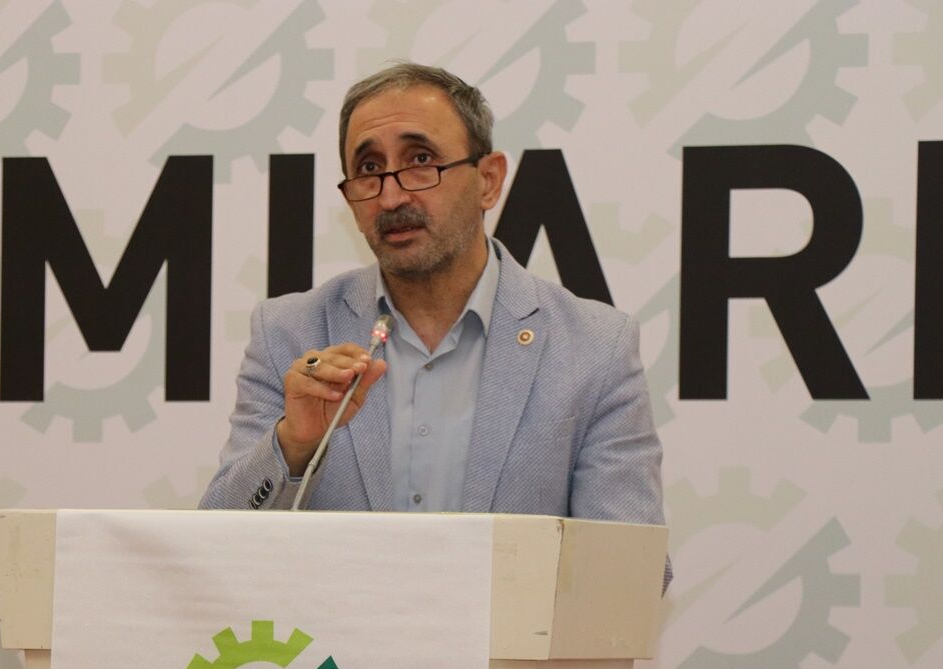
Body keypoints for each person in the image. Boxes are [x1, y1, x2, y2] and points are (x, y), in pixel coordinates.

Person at [200, 62, 668, 584]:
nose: (392, 197)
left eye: (420, 160)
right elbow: (215, 550)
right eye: (370, 168)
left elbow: (633, 575)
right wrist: (294, 445)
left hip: (507, 639)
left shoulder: (595, 348)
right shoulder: (289, 333)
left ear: (488, 180)